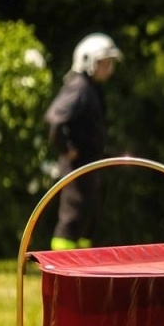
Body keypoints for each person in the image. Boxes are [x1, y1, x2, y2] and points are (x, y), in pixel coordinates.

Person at [44, 33, 122, 250]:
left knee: (88, 218)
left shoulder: (91, 88)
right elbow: (55, 118)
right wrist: (66, 149)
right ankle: (62, 269)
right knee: (73, 218)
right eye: (105, 62)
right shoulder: (79, 87)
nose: (110, 68)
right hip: (77, 167)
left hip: (89, 166)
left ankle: (82, 268)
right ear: (89, 61)